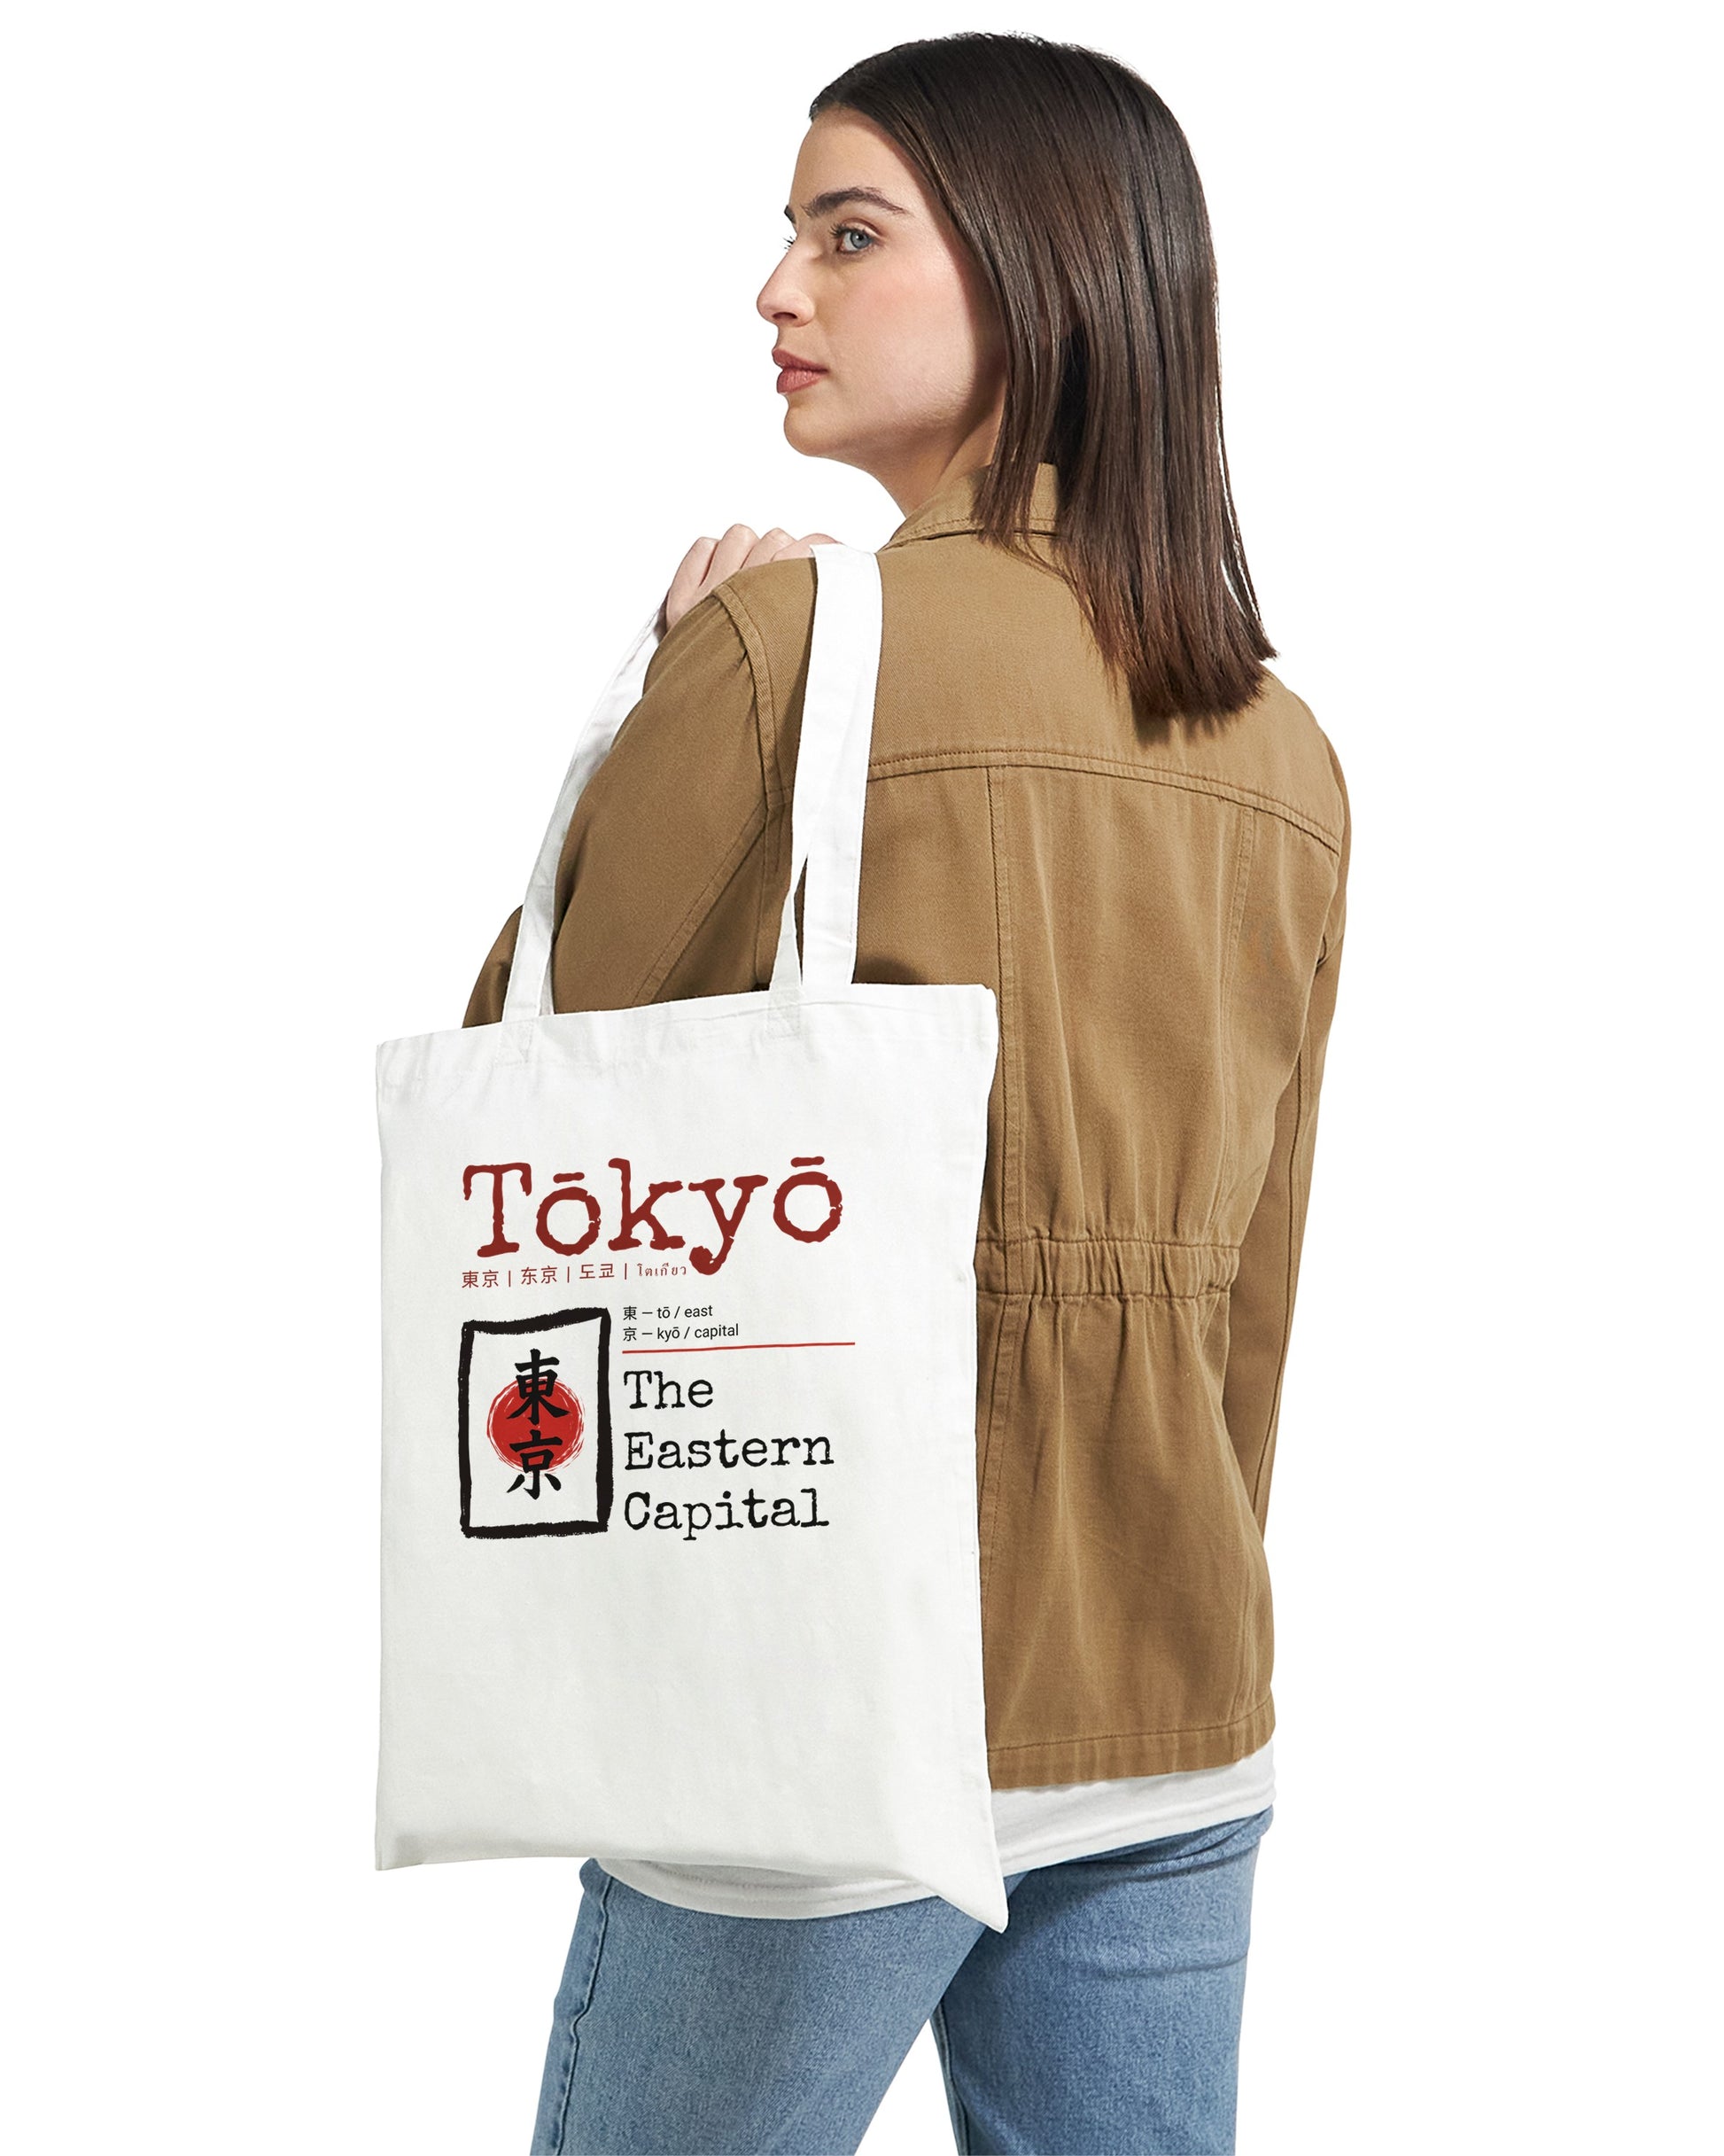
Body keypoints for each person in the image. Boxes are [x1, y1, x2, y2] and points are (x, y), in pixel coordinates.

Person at [462, 31, 1348, 2156]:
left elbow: (521, 1110)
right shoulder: (1280, 748)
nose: (777, 287)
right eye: (789, 233)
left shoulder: (785, 651)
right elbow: (1253, 1291)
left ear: (1045, 273)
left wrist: (672, 690)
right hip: (1173, 1685)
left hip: (830, 1695)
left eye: (847, 234)